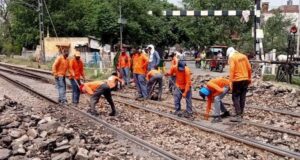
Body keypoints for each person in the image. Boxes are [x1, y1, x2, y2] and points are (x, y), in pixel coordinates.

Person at [226, 47, 252, 122]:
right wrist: (249, 78)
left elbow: (232, 71)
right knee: (242, 96)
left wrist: (230, 82)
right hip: (245, 79)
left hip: (237, 80)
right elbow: (249, 68)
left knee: (235, 97)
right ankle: (241, 113)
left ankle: (238, 115)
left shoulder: (232, 58)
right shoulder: (244, 56)